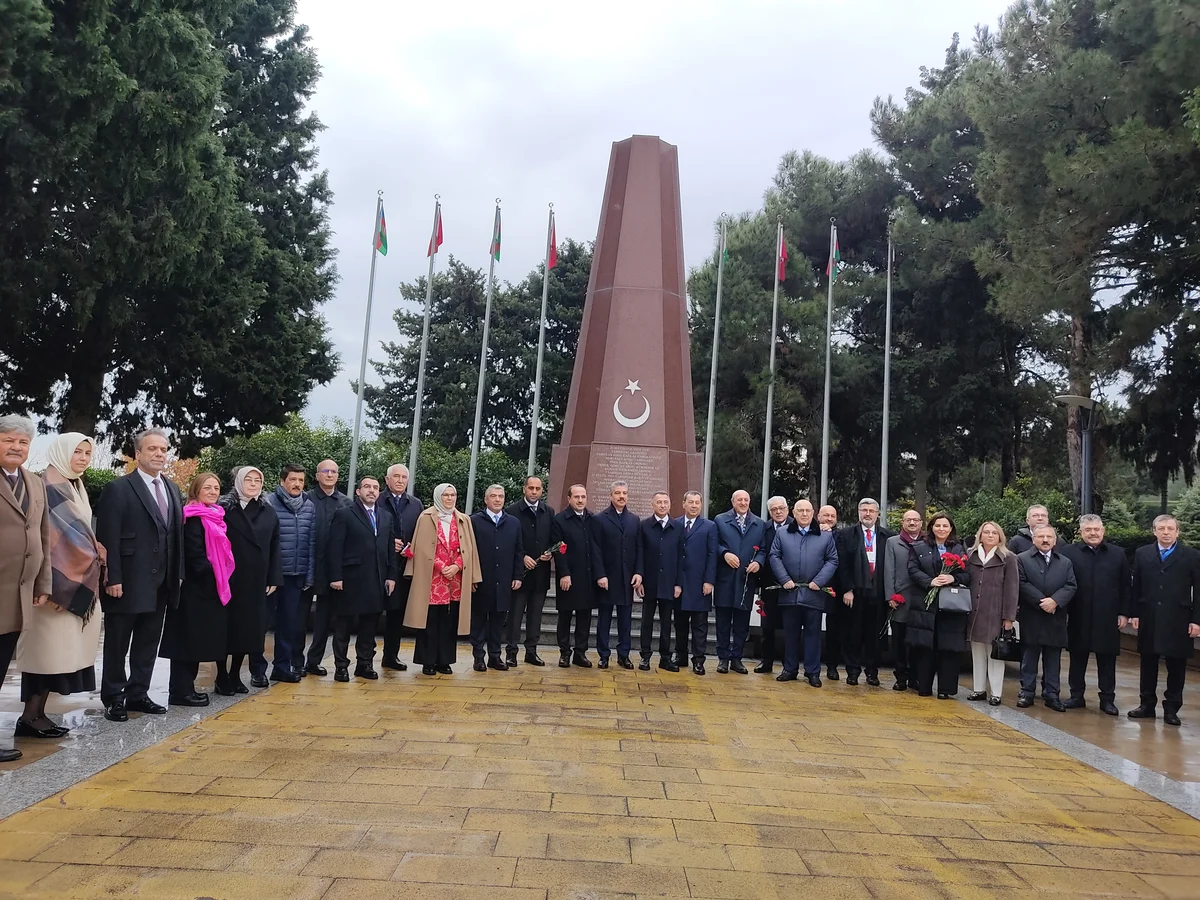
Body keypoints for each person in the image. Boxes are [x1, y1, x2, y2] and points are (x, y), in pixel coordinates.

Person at [95, 428, 183, 722]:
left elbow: (175, 536)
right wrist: (112, 578)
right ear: (137, 454)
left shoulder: (171, 488)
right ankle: (114, 697)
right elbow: (108, 536)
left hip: (162, 583)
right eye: (152, 449)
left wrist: (177, 575)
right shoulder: (118, 489)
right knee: (118, 643)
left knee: (147, 642)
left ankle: (138, 693)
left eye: (163, 449)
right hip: (127, 581)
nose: (159, 454)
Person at [0, 416, 53, 760]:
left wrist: (43, 581)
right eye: (8, 441)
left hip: (17, 594)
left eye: (23, 443)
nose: (16, 447)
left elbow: (44, 536)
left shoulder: (34, 482)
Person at [160, 473, 234, 706]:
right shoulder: (191, 517)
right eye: (207, 487)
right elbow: (194, 555)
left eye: (216, 487)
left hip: (208, 589)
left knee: (195, 642)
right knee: (186, 642)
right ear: (196, 490)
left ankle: (185, 689)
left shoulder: (215, 516)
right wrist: (214, 574)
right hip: (193, 589)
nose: (213, 491)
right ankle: (181, 692)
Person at [214, 467, 281, 695]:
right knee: (226, 627)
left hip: (255, 578)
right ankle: (222, 674)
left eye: (258, 480)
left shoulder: (268, 511)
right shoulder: (223, 509)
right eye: (248, 479)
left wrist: (273, 576)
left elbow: (275, 547)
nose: (253, 484)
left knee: (248, 628)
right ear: (238, 482)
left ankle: (235, 674)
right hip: (229, 577)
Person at [1128, 515, 1200, 726]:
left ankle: (1171, 708)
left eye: (1170, 528)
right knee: (1148, 662)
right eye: (1161, 528)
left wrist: (1197, 620)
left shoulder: (1192, 556)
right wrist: (1134, 613)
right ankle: (1146, 705)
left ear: (1177, 532)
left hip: (1179, 619)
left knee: (1176, 666)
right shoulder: (1143, 553)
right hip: (1149, 617)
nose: (1166, 532)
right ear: (1154, 531)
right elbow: (1136, 586)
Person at [405, 484, 481, 675]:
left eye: (453, 494)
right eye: (446, 495)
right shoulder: (426, 517)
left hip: (455, 579)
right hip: (432, 577)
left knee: (449, 620)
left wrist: (456, 566)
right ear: (438, 496)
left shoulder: (463, 519)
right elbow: (421, 547)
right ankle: (428, 661)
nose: (449, 498)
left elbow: (469, 548)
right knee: (430, 620)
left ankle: (444, 661)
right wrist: (441, 566)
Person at [327, 476, 396, 682]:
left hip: (376, 579)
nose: (372, 491)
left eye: (375, 488)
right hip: (350, 579)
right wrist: (335, 576)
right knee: (343, 626)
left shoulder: (385, 516)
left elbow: (389, 548)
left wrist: (391, 575)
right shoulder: (344, 514)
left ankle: (364, 664)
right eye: (367, 487)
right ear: (358, 491)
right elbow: (334, 547)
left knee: (369, 626)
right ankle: (341, 666)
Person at [1060, 515, 1129, 715]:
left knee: (1107, 659)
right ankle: (1076, 696)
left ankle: (1107, 699)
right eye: (1088, 530)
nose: (1093, 533)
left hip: (1107, 616)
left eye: (1096, 529)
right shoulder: (1069, 553)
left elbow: (1126, 585)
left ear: (1103, 530)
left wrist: (1124, 613)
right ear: (1081, 532)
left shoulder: (1117, 554)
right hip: (1077, 614)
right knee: (1077, 657)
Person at [768, 499, 838, 686]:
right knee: (790, 634)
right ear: (794, 512)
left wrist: (819, 581)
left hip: (814, 594)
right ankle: (789, 669)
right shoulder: (782, 533)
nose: (805, 514)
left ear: (813, 512)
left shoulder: (825, 535)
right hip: (789, 593)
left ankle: (812, 672)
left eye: (808, 511)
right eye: (801, 511)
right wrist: (784, 579)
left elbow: (832, 560)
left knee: (813, 634)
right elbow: (774, 555)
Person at [907, 513, 971, 699]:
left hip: (951, 607)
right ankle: (924, 686)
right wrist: (930, 581)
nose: (941, 529)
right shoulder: (919, 547)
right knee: (925, 647)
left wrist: (952, 578)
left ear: (951, 529)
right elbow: (912, 569)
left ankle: (946, 689)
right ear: (931, 528)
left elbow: (967, 575)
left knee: (948, 648)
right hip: (926, 603)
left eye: (945, 526)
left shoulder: (959, 549)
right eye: (937, 525)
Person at [1016, 524, 1077, 712]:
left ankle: (1052, 694)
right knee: (1029, 657)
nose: (1045, 540)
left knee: (1053, 658)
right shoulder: (1022, 559)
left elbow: (1071, 585)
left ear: (1055, 540)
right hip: (1031, 615)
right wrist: (1042, 601)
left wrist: (1055, 601)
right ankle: (1027, 692)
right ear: (1033, 539)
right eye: (1041, 536)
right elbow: (1021, 582)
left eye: (1049, 537)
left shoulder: (1065, 562)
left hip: (1055, 617)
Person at [833, 498, 893, 687]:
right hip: (855, 593)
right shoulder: (846, 534)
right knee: (853, 634)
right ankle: (852, 671)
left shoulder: (887, 536)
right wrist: (848, 589)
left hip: (878, 593)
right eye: (864, 510)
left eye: (871, 511)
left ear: (878, 514)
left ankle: (872, 672)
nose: (867, 514)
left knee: (874, 636)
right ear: (858, 512)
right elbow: (842, 565)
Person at [264, 464, 315, 684]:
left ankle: (282, 667)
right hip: (271, 576)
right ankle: (257, 669)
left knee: (289, 624)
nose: (297, 484)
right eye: (293, 479)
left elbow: (311, 542)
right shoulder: (268, 502)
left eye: (301, 480)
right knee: (262, 623)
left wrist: (309, 574)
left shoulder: (309, 506)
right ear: (282, 480)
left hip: (296, 574)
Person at [303, 459, 351, 676]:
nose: (330, 474)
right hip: (309, 568)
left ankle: (330, 663)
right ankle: (300, 662)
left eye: (333, 471)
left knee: (334, 620)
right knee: (305, 619)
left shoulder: (347, 503)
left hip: (338, 571)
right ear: (317, 475)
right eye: (325, 471)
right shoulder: (306, 499)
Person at [470, 485, 524, 672]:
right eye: (493, 496)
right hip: (482, 580)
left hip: (504, 580)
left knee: (498, 620)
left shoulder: (513, 523)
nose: (497, 499)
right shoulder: (474, 521)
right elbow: (470, 552)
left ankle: (495, 656)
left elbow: (519, 551)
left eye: (501, 496)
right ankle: (478, 657)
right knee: (478, 620)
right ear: (486, 499)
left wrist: (518, 575)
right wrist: (471, 577)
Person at [965, 521, 1019, 706]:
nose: (989, 535)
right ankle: (978, 689)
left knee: (995, 654)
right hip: (974, 612)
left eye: (994, 533)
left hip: (995, 613)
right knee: (977, 653)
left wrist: (1009, 617)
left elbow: (1012, 589)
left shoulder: (1008, 558)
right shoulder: (971, 555)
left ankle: (996, 693)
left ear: (1000, 536)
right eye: (986, 532)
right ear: (980, 535)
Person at [713, 490, 766, 674]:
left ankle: (737, 658)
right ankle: (723, 659)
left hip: (746, 580)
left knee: (742, 623)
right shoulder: (720, 520)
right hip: (725, 578)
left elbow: (764, 549)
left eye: (746, 500)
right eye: (739, 500)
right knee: (723, 622)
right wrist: (724, 553)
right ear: (732, 501)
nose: (743, 503)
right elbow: (714, 543)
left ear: (750, 501)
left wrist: (758, 562)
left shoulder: (759, 523)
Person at [505, 476, 554, 667]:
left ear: (542, 491)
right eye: (531, 488)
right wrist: (523, 556)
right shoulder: (511, 511)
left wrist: (550, 552)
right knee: (515, 615)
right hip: (520, 573)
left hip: (540, 574)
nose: (534, 492)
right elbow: (509, 542)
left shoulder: (548, 512)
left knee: (536, 616)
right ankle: (511, 652)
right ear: (524, 489)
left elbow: (553, 538)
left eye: (538, 488)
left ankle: (531, 651)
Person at [632, 491, 683, 672]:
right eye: (659, 502)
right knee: (646, 621)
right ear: (652, 505)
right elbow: (640, 553)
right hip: (650, 582)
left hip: (669, 583)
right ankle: (645, 656)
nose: (662, 505)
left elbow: (681, 557)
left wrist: (678, 583)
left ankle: (665, 657)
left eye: (665, 502)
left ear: (670, 505)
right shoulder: (644, 525)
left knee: (666, 623)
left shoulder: (677, 526)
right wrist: (640, 579)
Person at [550, 484, 599, 668]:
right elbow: (559, 548)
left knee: (584, 616)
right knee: (565, 616)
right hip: (569, 577)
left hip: (587, 577)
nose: (580, 500)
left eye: (583, 497)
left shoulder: (592, 519)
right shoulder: (560, 520)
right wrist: (564, 573)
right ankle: (564, 653)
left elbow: (596, 548)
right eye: (576, 497)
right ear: (569, 499)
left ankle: (580, 653)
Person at [592, 481, 639, 669]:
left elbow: (638, 548)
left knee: (625, 619)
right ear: (610, 495)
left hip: (627, 578)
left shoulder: (634, 519)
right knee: (604, 618)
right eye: (617, 493)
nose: (621, 496)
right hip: (607, 578)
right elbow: (595, 549)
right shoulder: (599, 519)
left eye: (625, 493)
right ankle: (603, 655)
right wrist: (600, 574)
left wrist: (639, 573)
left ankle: (623, 654)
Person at [381, 463, 422, 671]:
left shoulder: (415, 504)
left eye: (403, 477)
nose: (399, 480)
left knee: (396, 614)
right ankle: (365, 656)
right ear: (387, 480)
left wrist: (410, 545)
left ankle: (391, 656)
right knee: (371, 613)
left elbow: (422, 533)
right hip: (379, 566)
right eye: (395, 476)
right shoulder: (377, 500)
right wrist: (389, 543)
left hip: (404, 567)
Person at [675, 490, 718, 675]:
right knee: (680, 623)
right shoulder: (675, 524)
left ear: (701, 505)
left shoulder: (709, 526)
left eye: (697, 503)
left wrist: (709, 581)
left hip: (700, 583)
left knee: (699, 626)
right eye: (690, 502)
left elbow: (712, 554)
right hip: (679, 583)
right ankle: (681, 656)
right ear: (683, 503)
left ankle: (698, 660)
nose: (694, 506)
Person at [882, 509, 923, 692]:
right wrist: (890, 595)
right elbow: (888, 569)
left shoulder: (926, 541)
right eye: (908, 520)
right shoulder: (893, 542)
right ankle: (900, 677)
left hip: (921, 599)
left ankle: (916, 676)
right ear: (903, 523)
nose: (912, 523)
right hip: (900, 599)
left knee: (918, 640)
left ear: (921, 523)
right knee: (899, 640)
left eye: (915, 520)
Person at [752, 496, 791, 674]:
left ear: (787, 509)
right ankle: (766, 662)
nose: (778, 511)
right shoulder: (764, 528)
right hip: (768, 585)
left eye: (781, 508)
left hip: (791, 585)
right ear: (770, 512)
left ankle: (788, 664)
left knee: (789, 626)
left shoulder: (796, 526)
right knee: (767, 626)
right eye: (774, 509)